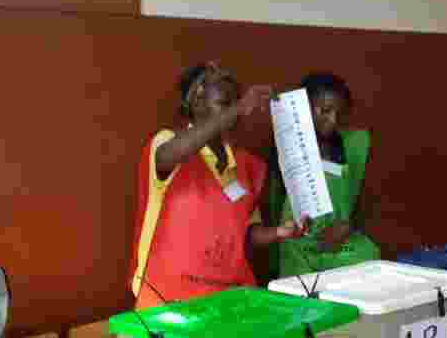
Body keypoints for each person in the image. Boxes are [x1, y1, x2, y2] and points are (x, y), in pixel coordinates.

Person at [128, 61, 306, 309]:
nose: (233, 113)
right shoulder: (167, 144)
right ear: (196, 103)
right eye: (224, 104)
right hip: (169, 299)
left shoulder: (245, 165)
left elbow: (246, 235)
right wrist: (240, 107)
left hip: (228, 299)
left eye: (235, 104)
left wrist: (279, 233)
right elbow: (174, 152)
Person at [269, 72, 380, 278]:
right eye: (325, 111)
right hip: (297, 246)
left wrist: (347, 227)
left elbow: (365, 202)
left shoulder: (354, 145)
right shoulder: (285, 148)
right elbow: (271, 206)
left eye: (340, 113)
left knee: (368, 258)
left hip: (339, 240)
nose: (333, 120)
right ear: (302, 109)